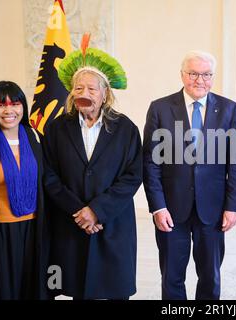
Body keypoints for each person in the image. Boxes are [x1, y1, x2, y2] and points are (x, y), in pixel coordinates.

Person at [43, 34, 143, 300]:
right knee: (77, 287)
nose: (84, 94)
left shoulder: (126, 129)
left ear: (105, 93)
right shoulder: (55, 129)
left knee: (114, 288)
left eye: (91, 89)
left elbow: (133, 176)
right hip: (71, 222)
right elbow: (49, 175)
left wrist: (97, 211)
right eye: (78, 88)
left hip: (112, 222)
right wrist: (80, 211)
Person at [143, 50, 236, 300]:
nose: (200, 80)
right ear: (182, 75)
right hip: (171, 209)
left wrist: (233, 206)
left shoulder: (229, 109)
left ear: (213, 76)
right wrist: (158, 207)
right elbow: (151, 163)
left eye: (207, 74)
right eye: (193, 74)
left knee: (210, 276)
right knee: (172, 276)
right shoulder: (160, 108)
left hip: (213, 209)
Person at [0, 81, 49, 299]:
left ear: (23, 106)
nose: (9, 110)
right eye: (1, 105)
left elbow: (46, 182)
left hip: (33, 230)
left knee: (31, 289)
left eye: (15, 103)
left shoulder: (35, 138)